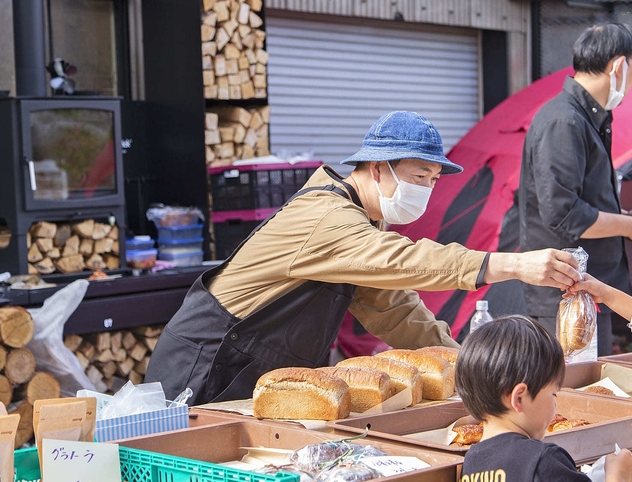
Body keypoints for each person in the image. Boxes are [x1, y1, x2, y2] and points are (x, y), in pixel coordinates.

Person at [147, 112, 582, 405]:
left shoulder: (365, 224)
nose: (426, 189)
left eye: (433, 180)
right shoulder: (327, 216)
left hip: (255, 374)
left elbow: (396, 312)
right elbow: (403, 260)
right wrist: (513, 265)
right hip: (204, 369)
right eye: (419, 176)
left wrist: (467, 370)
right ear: (377, 168)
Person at [515, 22, 632, 355]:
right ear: (619, 66)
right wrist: (630, 226)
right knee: (573, 383)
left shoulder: (587, 117)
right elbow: (564, 213)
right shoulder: (564, 121)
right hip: (565, 292)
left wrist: (627, 220)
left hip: (587, 287)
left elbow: (583, 198)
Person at [451, 315, 632, 482]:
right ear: (519, 398)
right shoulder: (542, 461)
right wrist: (618, 480)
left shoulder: (472, 460)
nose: (555, 405)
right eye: (553, 394)